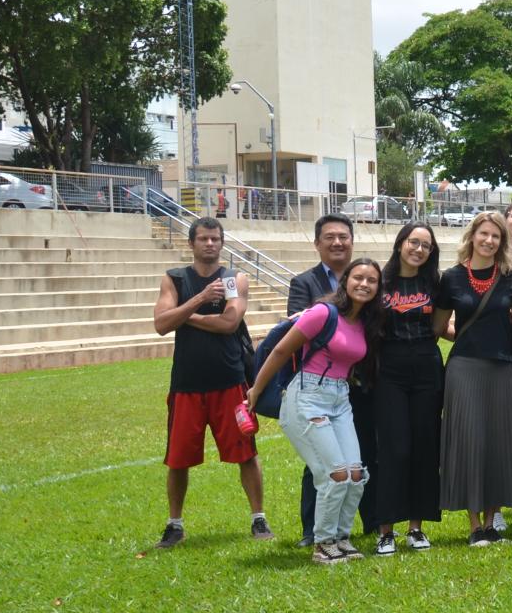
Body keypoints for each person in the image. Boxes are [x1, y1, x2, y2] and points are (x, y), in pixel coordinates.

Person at [247, 258, 383, 564]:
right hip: (307, 396)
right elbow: (281, 350)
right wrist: (256, 389)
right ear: (346, 281)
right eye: (358, 277)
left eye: (372, 280)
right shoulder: (323, 312)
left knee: (356, 474)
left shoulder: (365, 323)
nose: (364, 284)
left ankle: (341, 538)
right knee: (334, 474)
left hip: (340, 398)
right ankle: (323, 543)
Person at [151, 217, 270, 548]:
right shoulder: (174, 278)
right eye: (203, 238)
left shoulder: (232, 279)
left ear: (222, 243)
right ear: (191, 243)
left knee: (246, 452)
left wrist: (183, 315)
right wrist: (199, 299)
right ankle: (175, 524)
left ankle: (258, 518)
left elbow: (230, 323)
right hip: (186, 383)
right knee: (178, 458)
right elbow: (161, 324)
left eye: (215, 239)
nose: (210, 244)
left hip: (229, 380)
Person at [432, 211, 512, 545]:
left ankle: (491, 522)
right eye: (484, 234)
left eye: (496, 237)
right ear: (472, 236)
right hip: (464, 368)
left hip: (502, 368)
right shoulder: (452, 278)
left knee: (498, 443)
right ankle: (474, 526)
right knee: (470, 441)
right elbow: (439, 326)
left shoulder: (511, 278)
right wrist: (462, 338)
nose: (489, 241)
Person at [286, 212, 364, 547]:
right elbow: (295, 328)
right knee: (321, 463)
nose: (337, 242)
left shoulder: (365, 278)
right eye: (329, 237)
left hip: (355, 384)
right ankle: (313, 530)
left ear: (351, 241)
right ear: (318, 243)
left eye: (343, 236)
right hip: (317, 388)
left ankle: (357, 527)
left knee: (357, 462)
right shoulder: (304, 283)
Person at [371, 223, 444, 554]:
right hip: (389, 371)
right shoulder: (381, 282)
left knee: (424, 447)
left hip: (427, 367)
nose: (418, 249)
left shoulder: (434, 283)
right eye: (413, 242)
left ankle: (416, 527)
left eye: (425, 245)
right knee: (394, 449)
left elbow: (442, 326)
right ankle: (386, 528)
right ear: (400, 244)